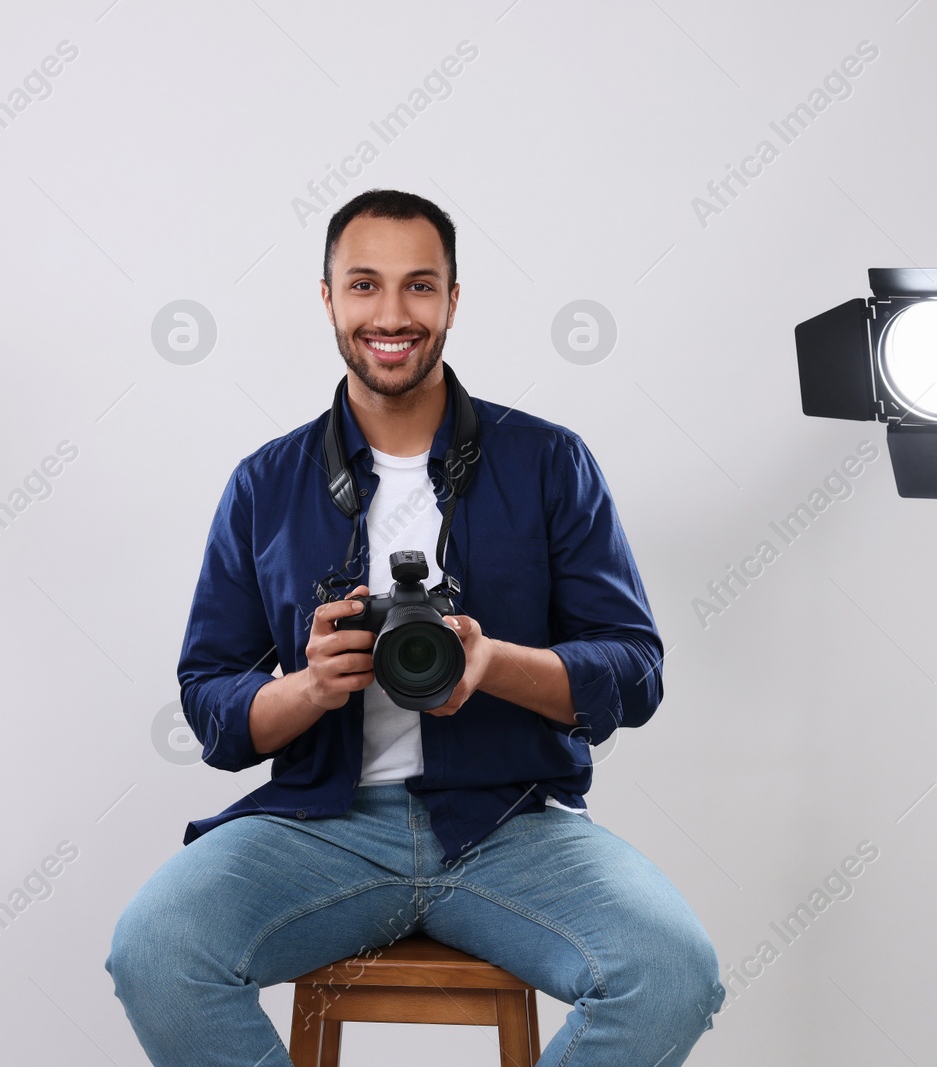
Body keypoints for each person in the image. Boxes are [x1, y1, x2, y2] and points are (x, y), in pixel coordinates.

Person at [106, 189, 723, 1066]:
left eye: (419, 287)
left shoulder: (549, 461)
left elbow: (635, 671)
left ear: (453, 299)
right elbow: (209, 702)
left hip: (510, 824)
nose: (391, 315)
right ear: (327, 298)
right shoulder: (265, 484)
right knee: (156, 952)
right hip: (322, 824)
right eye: (364, 285)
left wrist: (491, 661)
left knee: (671, 972)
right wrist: (311, 686)